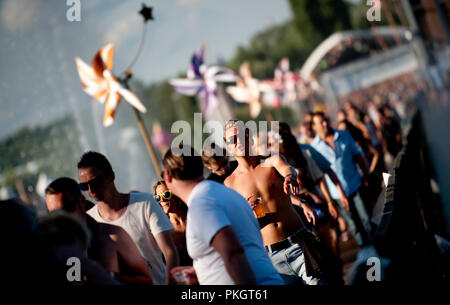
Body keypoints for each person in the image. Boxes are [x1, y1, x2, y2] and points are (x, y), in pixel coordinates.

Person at [223, 120, 336, 285]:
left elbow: (286, 168)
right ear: (228, 147)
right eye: (233, 139)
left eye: (241, 136)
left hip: (298, 244)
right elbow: (238, 226)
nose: (238, 141)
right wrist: (246, 212)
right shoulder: (230, 183)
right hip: (270, 258)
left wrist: (290, 177)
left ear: (249, 138)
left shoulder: (270, 160)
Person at [162, 145, 284, 285]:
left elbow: (233, 252)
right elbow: (239, 247)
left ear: (167, 176)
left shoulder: (201, 204)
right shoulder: (226, 193)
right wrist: (201, 274)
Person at [77, 151, 179, 285]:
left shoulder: (145, 203)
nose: (91, 190)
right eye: (84, 186)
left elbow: (169, 251)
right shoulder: (88, 221)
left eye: (95, 182)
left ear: (111, 176)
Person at [45, 177, 153, 284]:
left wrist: (107, 277)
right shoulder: (56, 248)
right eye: (54, 214)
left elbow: (146, 281)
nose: (61, 219)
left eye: (65, 210)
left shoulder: (112, 235)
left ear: (82, 201)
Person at [310, 112, 373, 246]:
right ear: (314, 127)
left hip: (355, 184)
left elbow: (358, 156)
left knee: (367, 219)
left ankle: (379, 248)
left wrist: (367, 176)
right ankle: (367, 252)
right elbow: (321, 176)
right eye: (320, 122)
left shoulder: (343, 135)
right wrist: (330, 201)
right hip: (337, 194)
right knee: (354, 226)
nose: (325, 124)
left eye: (325, 120)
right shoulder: (314, 148)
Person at [152, 180, 192, 266]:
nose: (161, 200)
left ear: (175, 193)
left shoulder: (193, 215)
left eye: (166, 194)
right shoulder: (162, 229)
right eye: (157, 198)